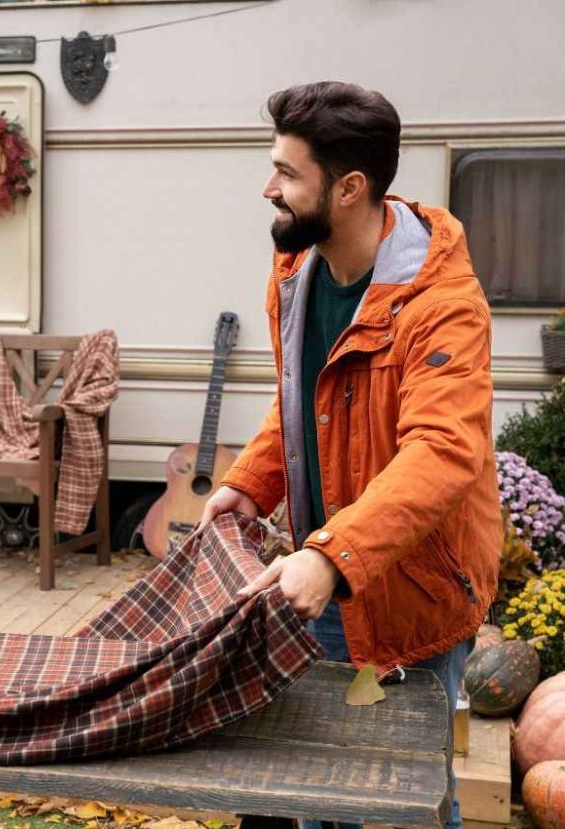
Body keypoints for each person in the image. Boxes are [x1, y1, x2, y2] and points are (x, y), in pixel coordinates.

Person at [198, 83, 501, 829]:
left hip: (409, 591)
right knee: (314, 786)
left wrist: (331, 555)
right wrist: (251, 482)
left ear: (349, 188)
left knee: (399, 800)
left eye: (287, 174)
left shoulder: (442, 304)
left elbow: (441, 451)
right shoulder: (298, 271)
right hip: (319, 579)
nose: (269, 188)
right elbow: (304, 397)